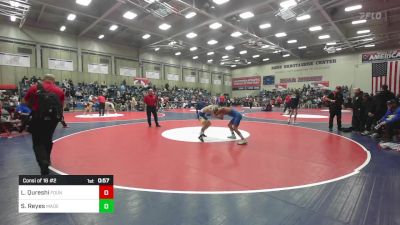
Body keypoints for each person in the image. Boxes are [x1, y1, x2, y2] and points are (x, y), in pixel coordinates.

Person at [24, 74, 64, 175]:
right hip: (52, 120)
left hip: (38, 117)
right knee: (48, 139)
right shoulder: (59, 90)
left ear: (43, 79)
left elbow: (25, 101)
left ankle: (43, 161)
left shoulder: (34, 88)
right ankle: (47, 158)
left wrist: (33, 108)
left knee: (37, 141)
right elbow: (61, 105)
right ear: (53, 80)